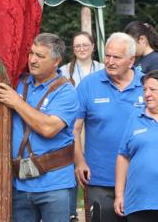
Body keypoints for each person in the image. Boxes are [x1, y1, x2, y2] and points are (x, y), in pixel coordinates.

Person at [0, 33, 79, 222]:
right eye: (31, 53)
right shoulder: (19, 81)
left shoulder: (66, 91)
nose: (32, 60)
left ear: (56, 61)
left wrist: (17, 102)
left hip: (55, 183)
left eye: (40, 56)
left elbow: (48, 128)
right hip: (21, 184)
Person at [74, 32, 145, 222]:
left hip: (140, 180)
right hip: (99, 180)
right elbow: (74, 129)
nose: (110, 61)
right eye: (107, 55)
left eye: (117, 57)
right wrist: (79, 161)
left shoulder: (148, 86)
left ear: (131, 61)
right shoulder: (88, 84)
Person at [61, 31, 104, 222]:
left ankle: (95, 207)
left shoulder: (103, 68)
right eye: (77, 46)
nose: (81, 49)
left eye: (85, 45)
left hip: (95, 124)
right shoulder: (64, 71)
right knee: (72, 165)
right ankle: (71, 212)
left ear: (93, 46)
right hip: (72, 124)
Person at [114, 69, 158, 222]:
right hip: (139, 203)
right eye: (145, 89)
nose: (147, 94)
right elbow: (123, 156)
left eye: (152, 89)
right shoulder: (135, 117)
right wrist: (119, 194)